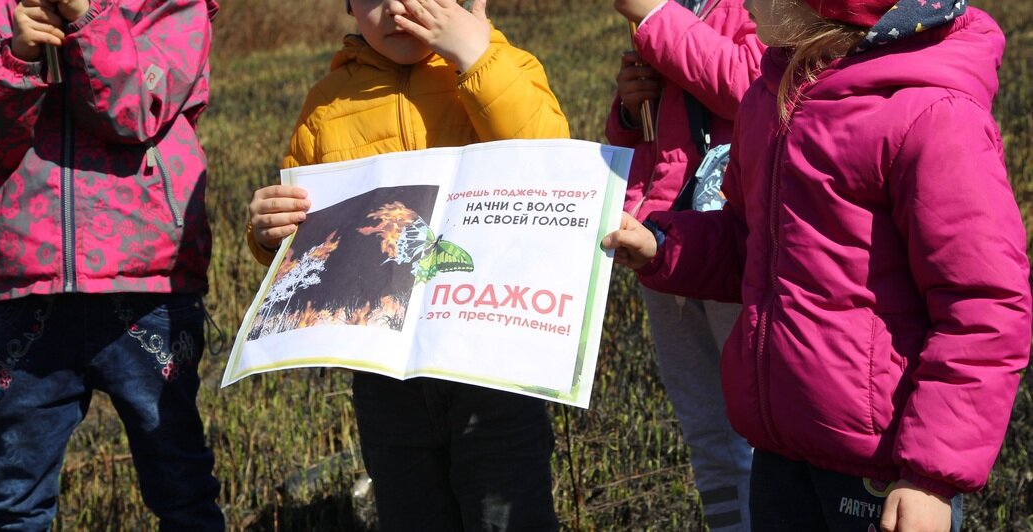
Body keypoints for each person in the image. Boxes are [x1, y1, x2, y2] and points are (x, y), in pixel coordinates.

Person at [601, 0, 1030, 530]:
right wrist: (664, 249)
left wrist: (929, 477)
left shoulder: (930, 114)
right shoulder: (772, 97)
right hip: (780, 450)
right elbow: (747, 240)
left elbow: (984, 309)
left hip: (881, 467)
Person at [245, 0, 569, 529]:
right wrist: (269, 233)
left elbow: (555, 168)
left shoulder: (503, 64)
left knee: (506, 512)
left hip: (492, 358)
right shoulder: (327, 105)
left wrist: (475, 55)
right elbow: (308, 235)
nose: (397, 6)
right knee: (410, 511)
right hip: (384, 376)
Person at [0, 0, 224, 529]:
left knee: (180, 485)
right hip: (27, 287)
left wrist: (85, 20)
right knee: (14, 496)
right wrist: (17, 57)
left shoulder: (174, 9)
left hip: (149, 286)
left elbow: (137, 109)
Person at [606, 0, 764, 528]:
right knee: (702, 422)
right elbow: (658, 141)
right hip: (664, 236)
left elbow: (751, 84)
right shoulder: (678, 8)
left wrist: (656, 19)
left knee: (754, 420)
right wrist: (630, 110)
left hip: (727, 238)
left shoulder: (756, 8)